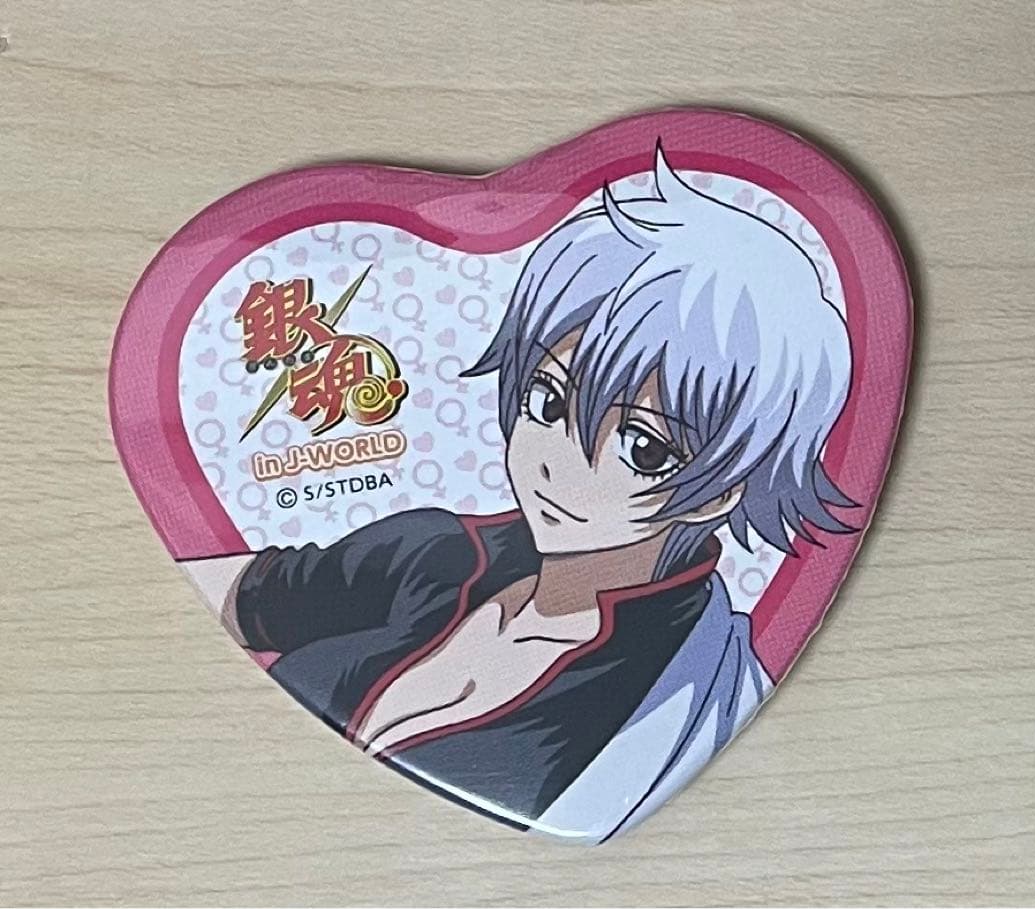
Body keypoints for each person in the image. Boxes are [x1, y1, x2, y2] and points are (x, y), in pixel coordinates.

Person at [187, 146, 856, 842]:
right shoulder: (435, 549)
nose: (558, 465)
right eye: (547, 400)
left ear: (722, 491)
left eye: (642, 449)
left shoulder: (683, 688)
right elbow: (247, 595)